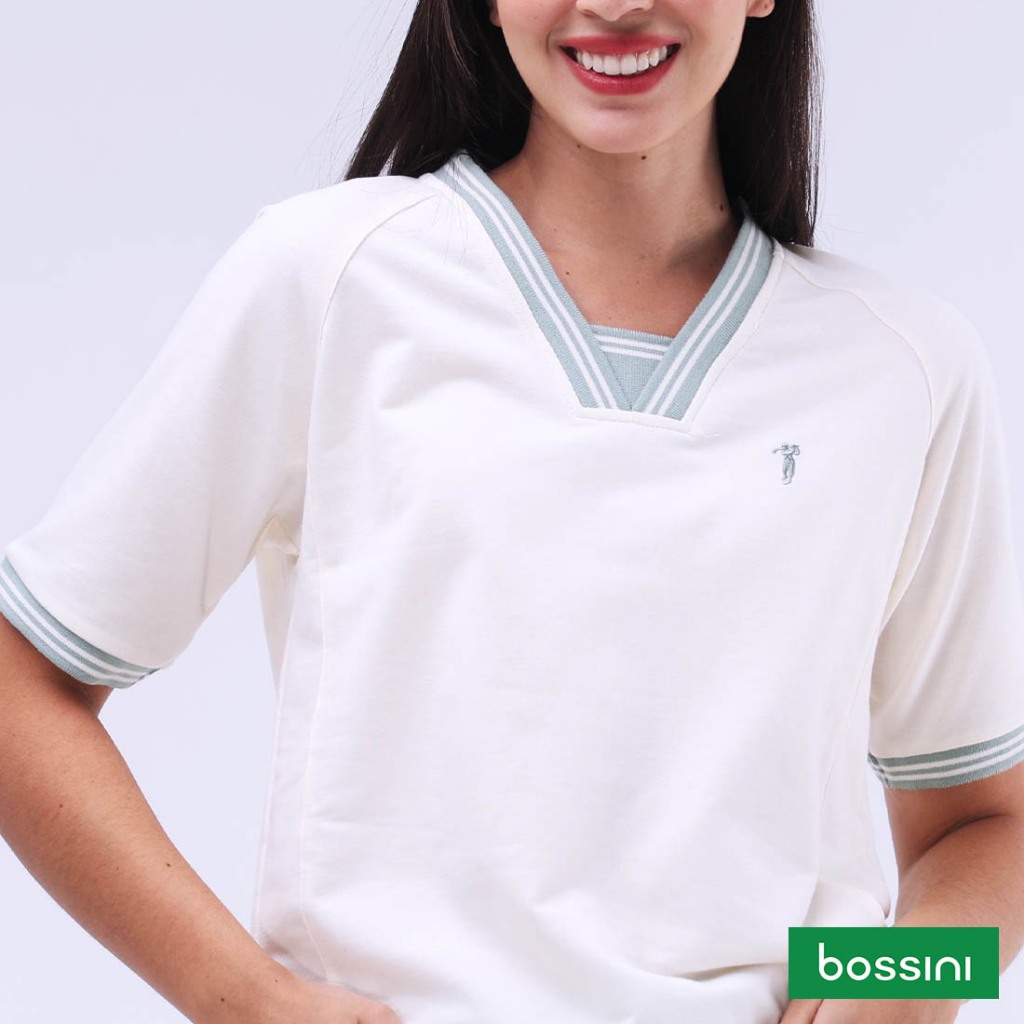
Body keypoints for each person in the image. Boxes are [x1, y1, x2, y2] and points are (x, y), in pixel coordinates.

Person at [1, 1, 1023, 1023]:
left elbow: (991, 825)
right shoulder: (334, 279)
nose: (615, 4)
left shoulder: (901, 366)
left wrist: (896, 991)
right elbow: (22, 684)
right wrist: (240, 999)